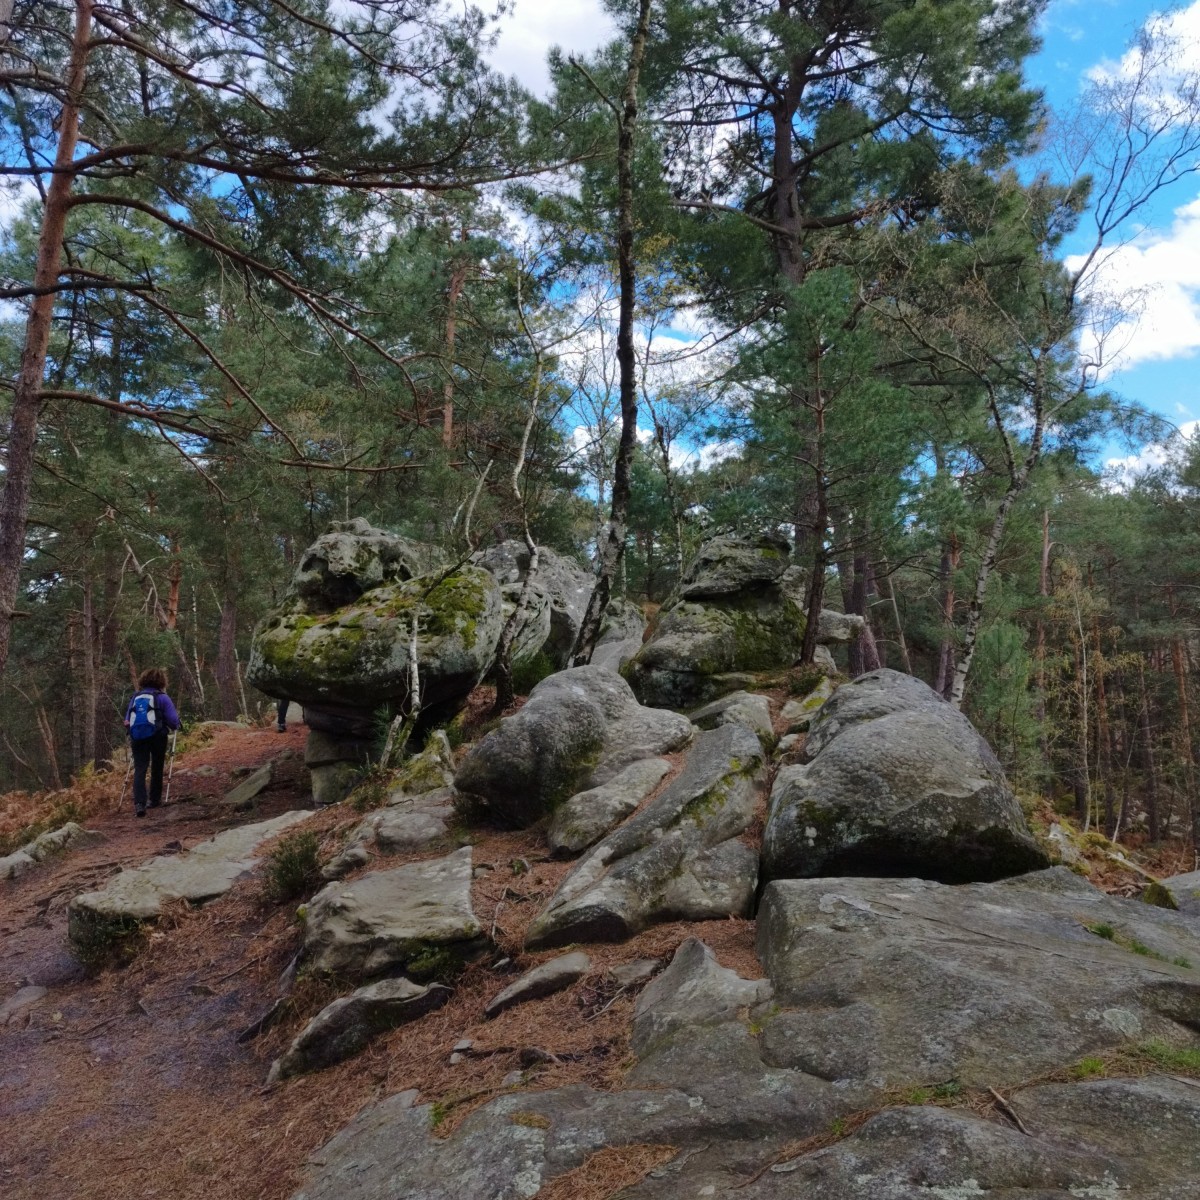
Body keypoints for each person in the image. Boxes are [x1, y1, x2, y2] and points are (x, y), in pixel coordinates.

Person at [124, 667, 182, 817]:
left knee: (140, 768)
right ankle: (154, 799)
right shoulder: (162, 697)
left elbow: (127, 720)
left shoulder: (136, 697)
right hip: (157, 736)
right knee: (157, 766)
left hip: (137, 737)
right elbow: (173, 721)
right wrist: (176, 724)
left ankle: (139, 804)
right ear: (161, 681)